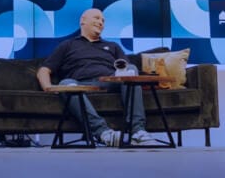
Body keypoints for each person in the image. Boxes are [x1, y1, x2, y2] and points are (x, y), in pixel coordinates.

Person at [36, 8, 157, 147]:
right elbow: (44, 70)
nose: (100, 22)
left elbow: (126, 68)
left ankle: (137, 131)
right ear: (83, 20)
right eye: (96, 18)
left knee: (131, 69)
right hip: (81, 85)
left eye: (103, 21)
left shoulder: (112, 46)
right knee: (66, 83)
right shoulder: (68, 45)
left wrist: (126, 70)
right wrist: (48, 87)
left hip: (109, 83)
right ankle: (104, 133)